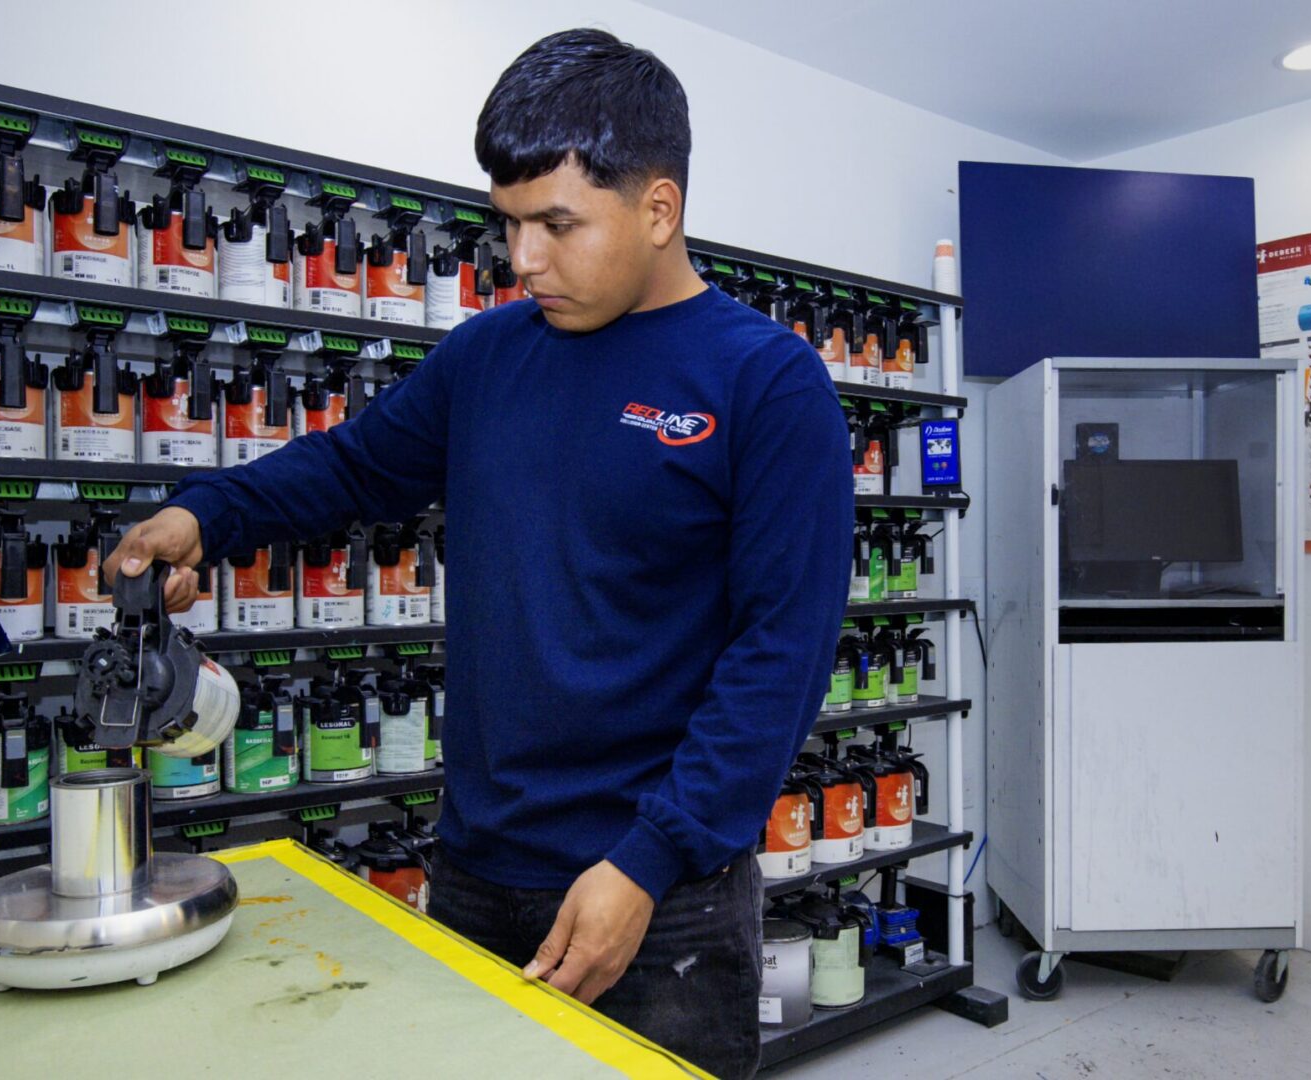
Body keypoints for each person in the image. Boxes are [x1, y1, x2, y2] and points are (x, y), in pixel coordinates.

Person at [104, 28, 850, 1079]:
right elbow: (354, 468)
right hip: (473, 868)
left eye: (555, 224)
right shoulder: (487, 357)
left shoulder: (766, 386)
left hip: (655, 897)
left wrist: (645, 862)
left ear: (657, 209)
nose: (523, 260)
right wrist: (205, 515)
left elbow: (779, 653)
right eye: (507, 224)